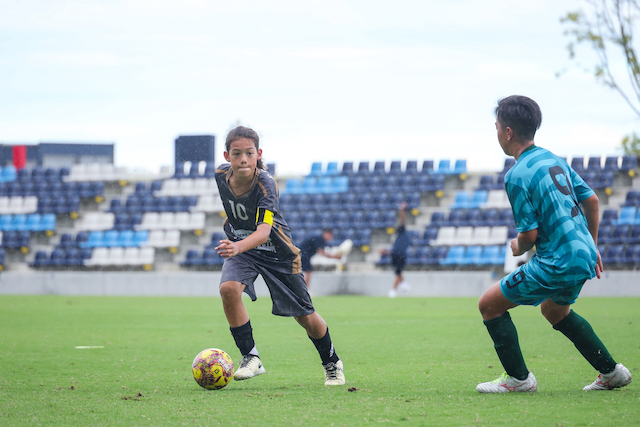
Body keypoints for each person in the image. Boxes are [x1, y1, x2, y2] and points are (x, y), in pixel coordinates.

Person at [476, 95, 632, 393]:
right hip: (583, 253)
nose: (496, 133)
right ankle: (611, 372)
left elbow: (529, 237)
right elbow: (593, 201)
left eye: (496, 127)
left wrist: (517, 248)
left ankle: (519, 380)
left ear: (507, 132)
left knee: (489, 304)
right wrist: (592, 245)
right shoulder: (553, 159)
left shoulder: (517, 175)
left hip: (556, 260)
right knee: (555, 311)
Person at [214, 126, 345, 386]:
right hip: (243, 248)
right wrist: (236, 235)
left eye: (249, 153)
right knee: (228, 289)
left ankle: (332, 362)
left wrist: (237, 245)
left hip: (279, 254)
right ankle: (251, 358)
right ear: (227, 156)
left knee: (304, 316)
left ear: (258, 154)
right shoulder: (220, 175)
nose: (243, 159)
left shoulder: (265, 183)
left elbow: (263, 232)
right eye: (237, 153)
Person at [379, 202, 412, 298]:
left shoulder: (402, 232)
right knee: (398, 272)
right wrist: (384, 252)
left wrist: (402, 210)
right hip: (396, 254)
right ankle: (404, 284)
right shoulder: (398, 238)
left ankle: (394, 290)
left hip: (400, 254)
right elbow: (393, 251)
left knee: (398, 272)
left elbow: (403, 220)